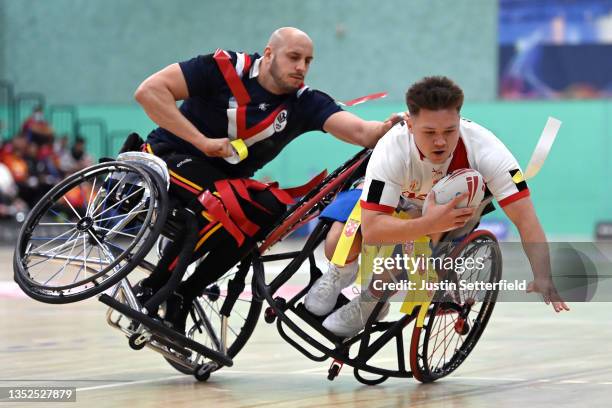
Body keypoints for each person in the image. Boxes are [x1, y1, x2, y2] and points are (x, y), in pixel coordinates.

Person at [133, 27, 401, 333]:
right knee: (227, 201)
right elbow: (148, 92)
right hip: (169, 156)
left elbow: (360, 132)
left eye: (308, 61)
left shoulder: (303, 102)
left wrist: (383, 129)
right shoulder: (222, 67)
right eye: (294, 57)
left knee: (268, 210)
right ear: (269, 54)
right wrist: (203, 141)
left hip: (225, 186)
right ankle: (154, 287)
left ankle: (184, 293)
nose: (302, 67)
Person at [303, 76, 569, 338]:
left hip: (450, 210)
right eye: (429, 132)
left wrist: (542, 274)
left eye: (449, 131)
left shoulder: (489, 153)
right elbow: (373, 230)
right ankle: (339, 272)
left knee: (402, 255)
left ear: (459, 122)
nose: (440, 141)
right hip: (398, 198)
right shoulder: (391, 148)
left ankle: (372, 300)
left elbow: (526, 219)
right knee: (336, 241)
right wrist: (428, 222)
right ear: (409, 124)